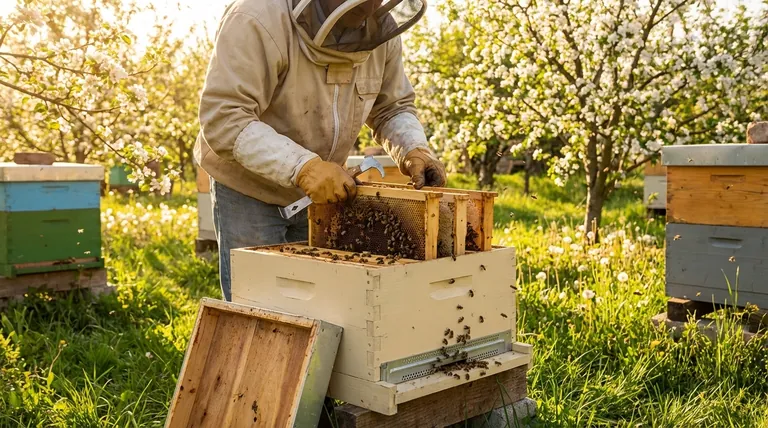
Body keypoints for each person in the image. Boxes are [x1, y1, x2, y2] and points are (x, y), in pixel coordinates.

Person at [194, 0, 447, 301]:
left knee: (314, 303)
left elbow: (391, 106)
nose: (371, 6)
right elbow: (225, 117)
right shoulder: (256, 18)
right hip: (248, 188)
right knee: (258, 305)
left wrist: (413, 148)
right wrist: (304, 168)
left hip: (322, 190)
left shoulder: (380, 32)